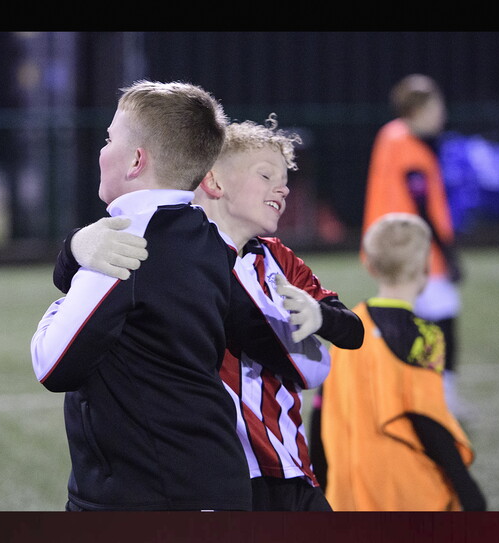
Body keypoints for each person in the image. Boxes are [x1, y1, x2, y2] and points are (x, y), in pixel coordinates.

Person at [55, 115, 364, 511]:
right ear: (214, 181)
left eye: (285, 178)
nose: (283, 188)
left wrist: (319, 316)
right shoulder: (180, 251)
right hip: (214, 472)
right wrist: (75, 245)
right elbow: (301, 361)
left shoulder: (279, 260)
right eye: (266, 176)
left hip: (287, 465)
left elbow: (352, 332)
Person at [29, 80, 253, 511]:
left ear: (135, 160)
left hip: (151, 494)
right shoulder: (208, 236)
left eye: (110, 139)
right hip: (211, 479)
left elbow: (52, 364)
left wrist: (64, 297)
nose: (101, 150)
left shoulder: (124, 243)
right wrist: (75, 250)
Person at [320, 212, 485, 511]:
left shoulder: (347, 326)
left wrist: (320, 480)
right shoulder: (426, 335)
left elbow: (320, 410)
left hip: (350, 492)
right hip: (407, 490)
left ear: (368, 264)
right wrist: (466, 486)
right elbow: (428, 419)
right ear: (424, 267)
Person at [361, 73, 465, 412]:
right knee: (443, 317)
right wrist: (449, 255)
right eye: (436, 107)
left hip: (390, 245)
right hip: (416, 249)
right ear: (419, 108)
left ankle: (400, 394)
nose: (441, 114)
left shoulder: (389, 136)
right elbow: (422, 205)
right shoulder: (407, 145)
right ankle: (441, 395)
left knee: (404, 319)